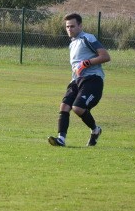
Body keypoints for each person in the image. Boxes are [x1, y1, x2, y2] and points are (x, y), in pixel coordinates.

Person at [48, 13, 111, 147]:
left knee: (77, 108)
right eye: (67, 27)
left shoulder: (87, 38)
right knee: (64, 106)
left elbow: (105, 56)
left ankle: (95, 130)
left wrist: (86, 63)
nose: (69, 29)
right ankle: (61, 139)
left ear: (80, 26)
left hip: (92, 79)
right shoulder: (72, 43)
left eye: (72, 26)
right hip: (76, 81)